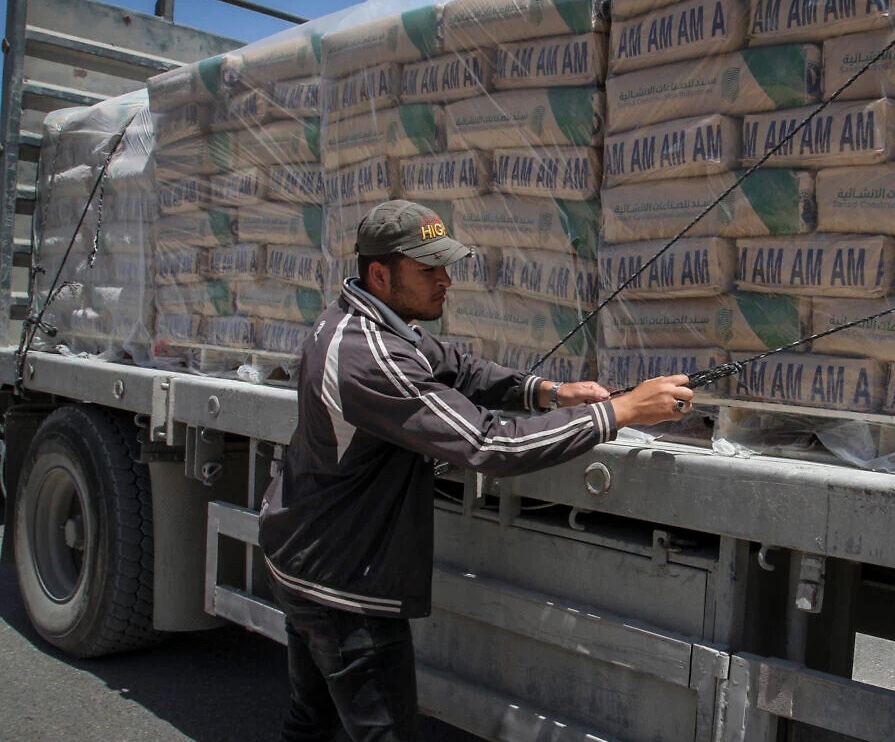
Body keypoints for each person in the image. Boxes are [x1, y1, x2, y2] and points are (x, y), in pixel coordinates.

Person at [257, 199, 694, 741]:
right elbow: (489, 445)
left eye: (446, 265)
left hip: (304, 554)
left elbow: (456, 367)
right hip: (343, 582)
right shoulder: (369, 356)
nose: (445, 281)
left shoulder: (365, 322)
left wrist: (549, 392)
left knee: (310, 720)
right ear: (380, 273)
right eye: (428, 270)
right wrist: (618, 412)